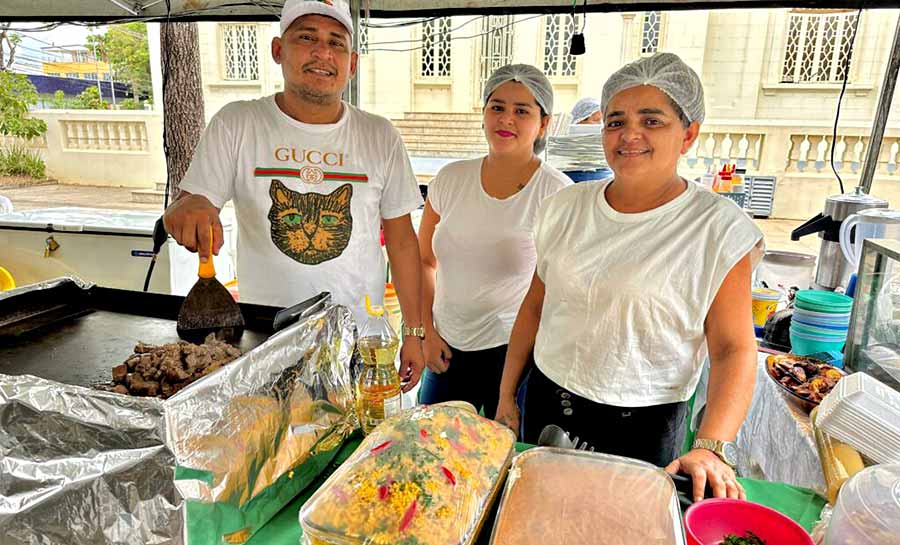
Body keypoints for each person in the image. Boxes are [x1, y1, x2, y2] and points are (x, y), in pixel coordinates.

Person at [495, 52, 764, 503]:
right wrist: (507, 393)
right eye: (615, 120)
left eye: (652, 120)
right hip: (548, 398)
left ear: (689, 134)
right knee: (539, 512)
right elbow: (536, 306)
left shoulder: (717, 228)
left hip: (644, 421)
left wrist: (711, 446)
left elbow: (733, 349)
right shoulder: (566, 207)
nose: (629, 134)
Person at [163, 0, 426, 391]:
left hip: (359, 341)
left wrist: (415, 332)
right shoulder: (238, 123)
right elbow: (188, 205)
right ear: (277, 50)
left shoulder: (379, 135)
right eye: (307, 38)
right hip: (267, 342)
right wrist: (187, 210)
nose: (323, 52)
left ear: (351, 64)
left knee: (355, 446)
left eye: (336, 43)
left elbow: (403, 243)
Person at [417, 65, 571, 418]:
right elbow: (424, 260)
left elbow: (554, 293)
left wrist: (511, 386)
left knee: (502, 457)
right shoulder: (451, 178)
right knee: (431, 447)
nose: (506, 120)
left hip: (513, 355)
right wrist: (426, 332)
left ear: (543, 123)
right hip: (445, 348)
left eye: (522, 111)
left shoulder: (555, 193)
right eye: (497, 107)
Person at [547, 97, 611, 182]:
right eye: (596, 120)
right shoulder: (561, 142)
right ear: (580, 121)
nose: (600, 124)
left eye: (602, 120)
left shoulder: (607, 139)